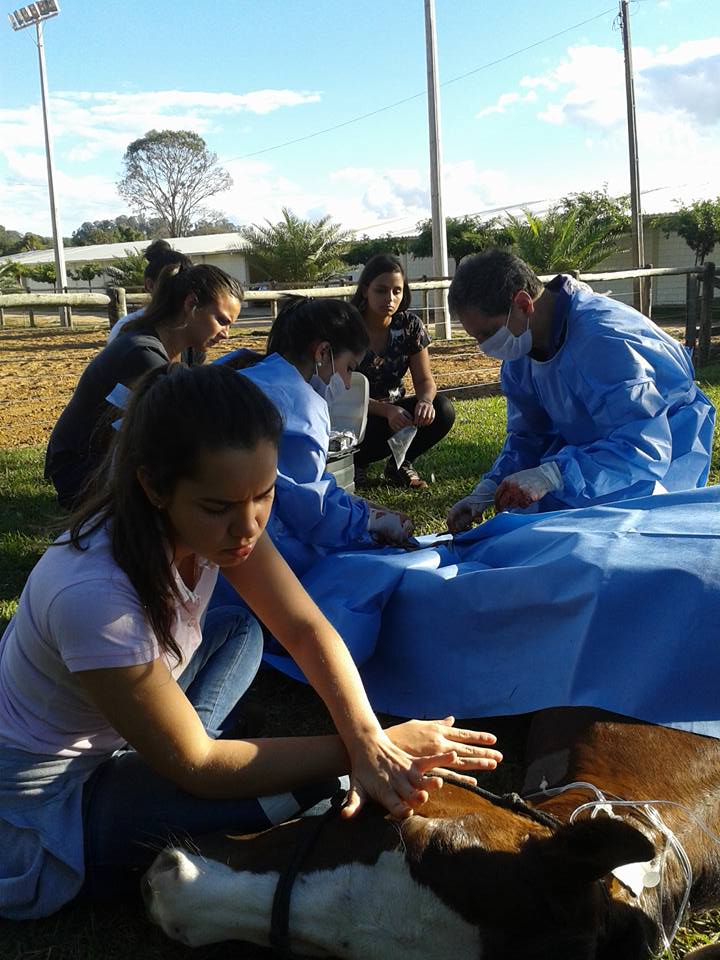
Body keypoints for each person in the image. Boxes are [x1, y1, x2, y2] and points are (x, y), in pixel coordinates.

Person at [0, 363, 503, 920]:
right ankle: (178, 757)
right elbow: (199, 763)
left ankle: (176, 741)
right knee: (310, 790)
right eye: (218, 507)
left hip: (122, 721)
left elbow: (306, 629)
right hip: (52, 796)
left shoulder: (228, 526)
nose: (248, 526)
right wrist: (372, 748)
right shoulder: (94, 595)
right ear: (154, 487)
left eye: (263, 495)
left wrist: (366, 734)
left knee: (239, 631)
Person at [446, 249, 715, 531]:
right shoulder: (520, 352)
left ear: (524, 304)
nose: (486, 348)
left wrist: (554, 475)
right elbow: (529, 435)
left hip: (659, 456)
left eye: (488, 334)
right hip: (592, 455)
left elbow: (643, 446)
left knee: (618, 538)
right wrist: (489, 488)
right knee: (529, 527)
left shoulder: (604, 339)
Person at [214, 296, 413, 582]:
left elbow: (295, 487)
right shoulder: (303, 404)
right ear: (323, 352)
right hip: (249, 558)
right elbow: (310, 510)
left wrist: (362, 508)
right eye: (349, 369)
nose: (346, 384)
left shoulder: (253, 375)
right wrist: (370, 522)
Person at [45, 263, 241, 510]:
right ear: (191, 304)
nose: (226, 334)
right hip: (83, 468)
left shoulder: (189, 351)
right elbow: (162, 431)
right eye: (222, 320)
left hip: (114, 456)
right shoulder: (141, 354)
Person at [350, 254, 455, 489]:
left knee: (442, 409)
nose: (390, 298)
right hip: (352, 414)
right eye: (381, 290)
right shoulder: (348, 326)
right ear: (365, 290)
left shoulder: (409, 325)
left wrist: (425, 402)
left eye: (396, 291)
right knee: (367, 426)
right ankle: (355, 465)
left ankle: (400, 464)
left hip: (396, 415)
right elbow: (339, 388)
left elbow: (424, 379)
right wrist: (386, 410)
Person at [107, 239, 192, 344]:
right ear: (150, 285)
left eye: (189, 281)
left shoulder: (194, 324)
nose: (184, 288)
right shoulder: (130, 330)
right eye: (173, 282)